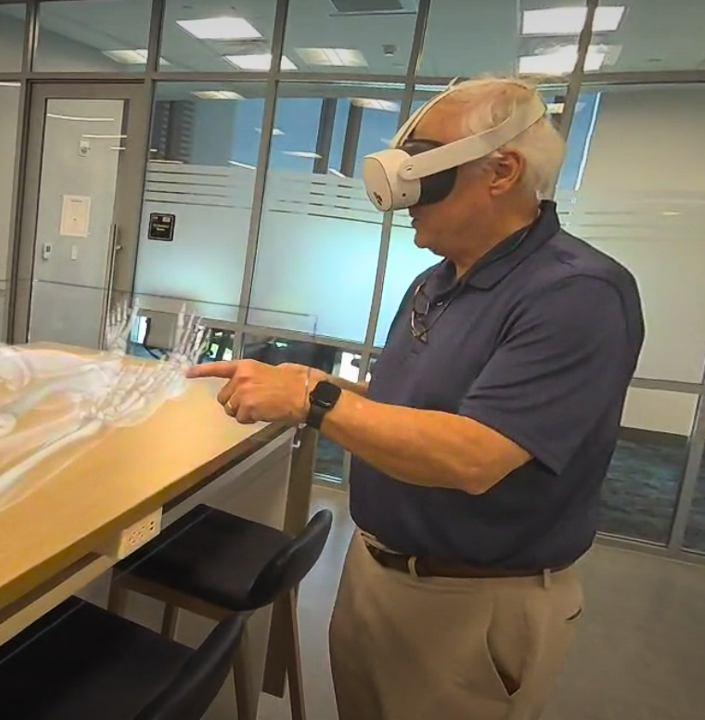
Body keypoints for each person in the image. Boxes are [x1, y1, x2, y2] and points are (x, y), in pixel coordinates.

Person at [188, 77, 644, 720]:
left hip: (473, 606)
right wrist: (302, 382)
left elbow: (474, 456)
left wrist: (315, 398)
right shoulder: (437, 280)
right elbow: (403, 402)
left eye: (424, 167)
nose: (399, 195)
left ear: (501, 170)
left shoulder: (578, 295)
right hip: (376, 572)